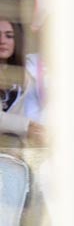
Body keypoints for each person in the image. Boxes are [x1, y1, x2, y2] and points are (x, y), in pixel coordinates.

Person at [0, 19, 43, 147]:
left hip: (11, 153)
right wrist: (28, 126)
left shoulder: (24, 75)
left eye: (9, 36)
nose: (2, 41)